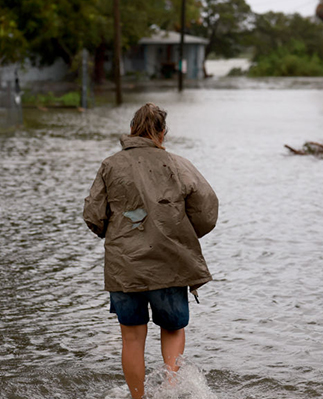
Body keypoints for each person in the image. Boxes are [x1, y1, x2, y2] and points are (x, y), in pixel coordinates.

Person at [83, 103, 218, 398]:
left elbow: (93, 216)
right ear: (162, 132)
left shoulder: (110, 166)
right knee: (172, 329)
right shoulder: (178, 165)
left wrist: (119, 234)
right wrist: (179, 233)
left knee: (131, 338)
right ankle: (171, 391)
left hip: (124, 266)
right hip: (170, 264)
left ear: (132, 129)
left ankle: (137, 397)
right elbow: (207, 212)